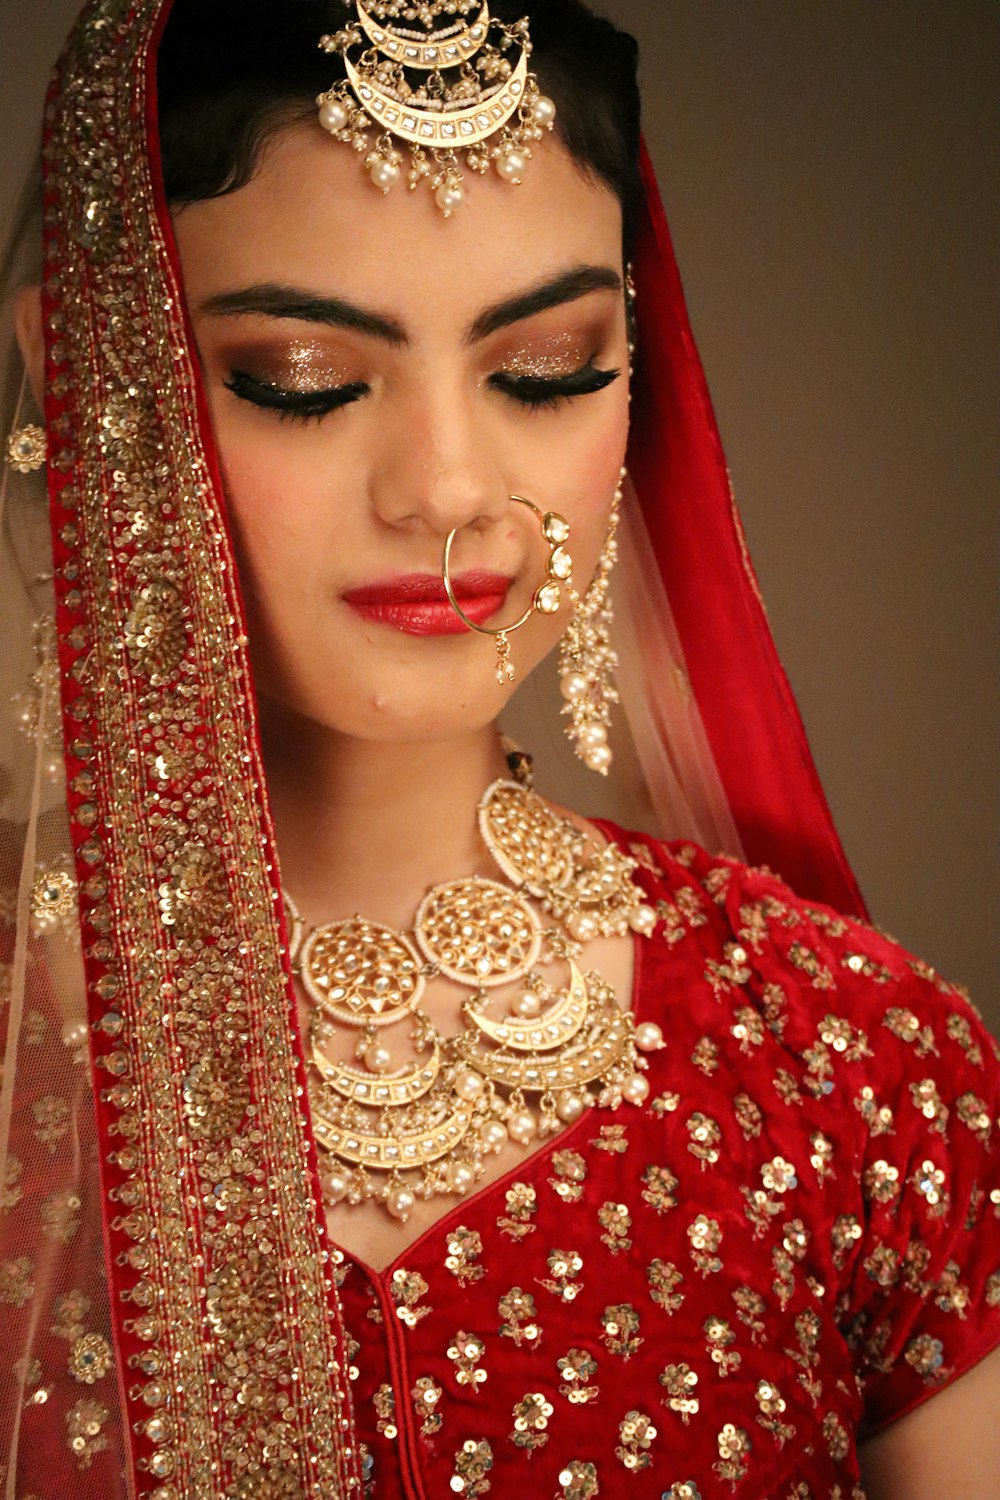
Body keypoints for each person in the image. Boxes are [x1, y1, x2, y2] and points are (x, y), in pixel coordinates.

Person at [0, 1, 997, 1496]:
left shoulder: (854, 1064)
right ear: (82, 374)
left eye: (546, 368)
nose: (447, 489)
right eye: (301, 375)